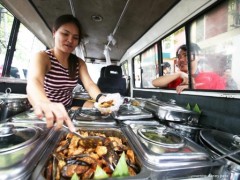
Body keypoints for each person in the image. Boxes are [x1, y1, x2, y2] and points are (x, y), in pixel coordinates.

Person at [26, 14, 119, 132]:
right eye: (65, 34)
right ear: (54, 33)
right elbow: (34, 81)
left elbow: (89, 84)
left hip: (68, 107)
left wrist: (101, 98)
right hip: (47, 109)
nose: (70, 40)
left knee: (97, 110)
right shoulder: (43, 57)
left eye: (75, 37)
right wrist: (44, 103)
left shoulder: (78, 62)